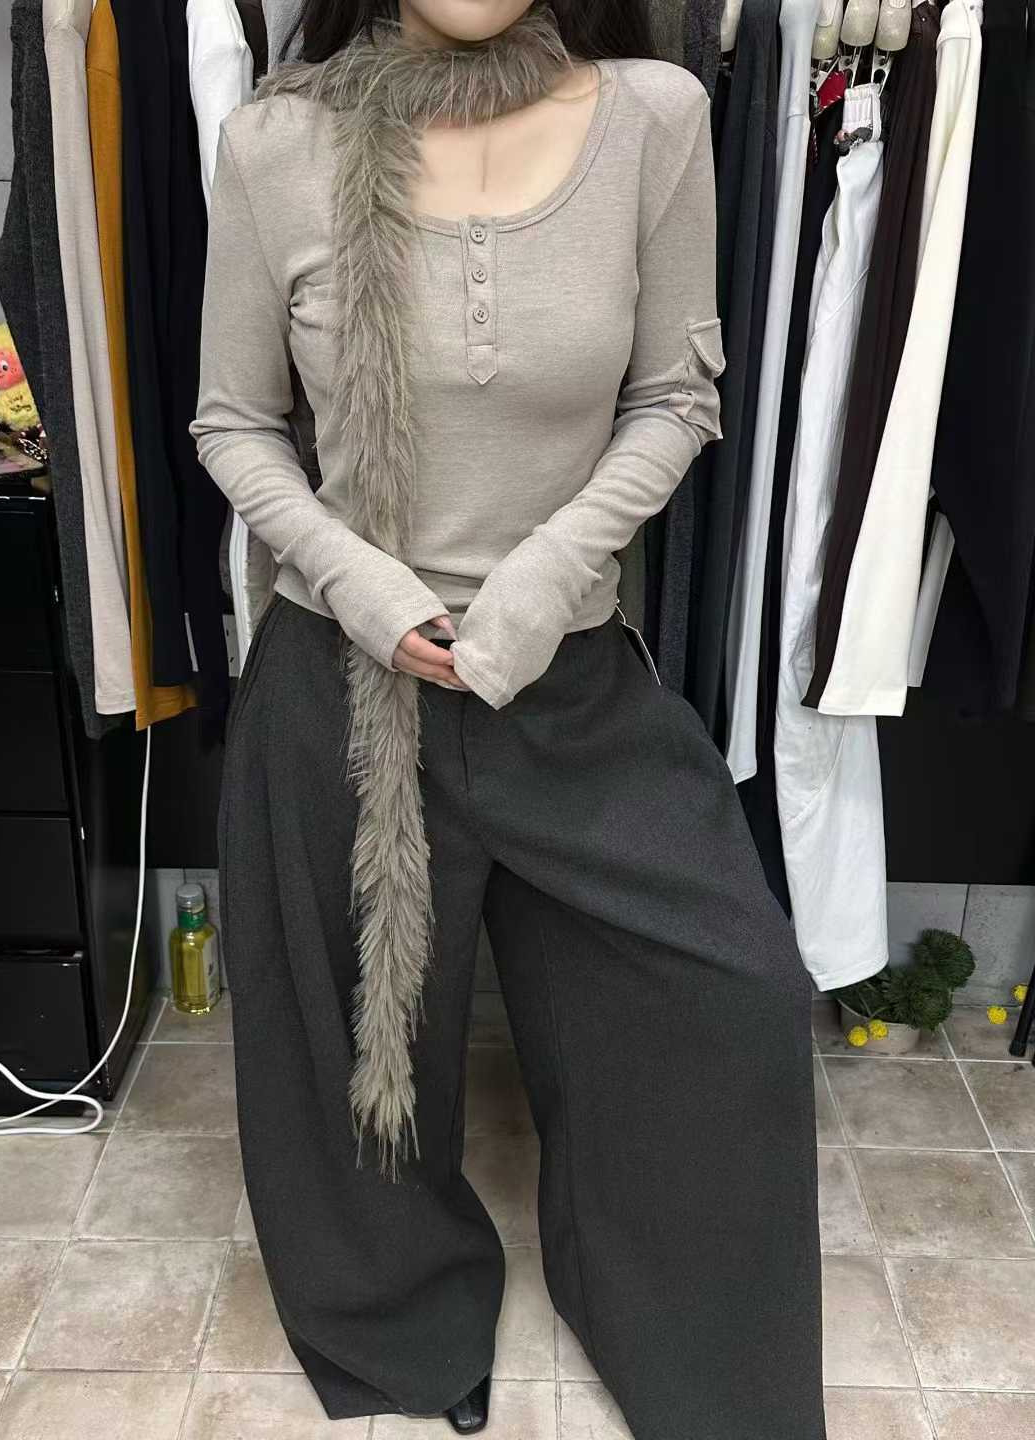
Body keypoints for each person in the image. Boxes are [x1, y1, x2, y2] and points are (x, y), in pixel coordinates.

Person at [191, 3, 826, 1436]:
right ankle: (398, 1329)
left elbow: (676, 396)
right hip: (343, 682)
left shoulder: (655, 119)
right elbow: (233, 421)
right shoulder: (276, 143)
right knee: (352, 1051)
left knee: (729, 993)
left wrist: (545, 578)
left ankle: (689, 1344)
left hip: (568, 678)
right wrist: (361, 586)